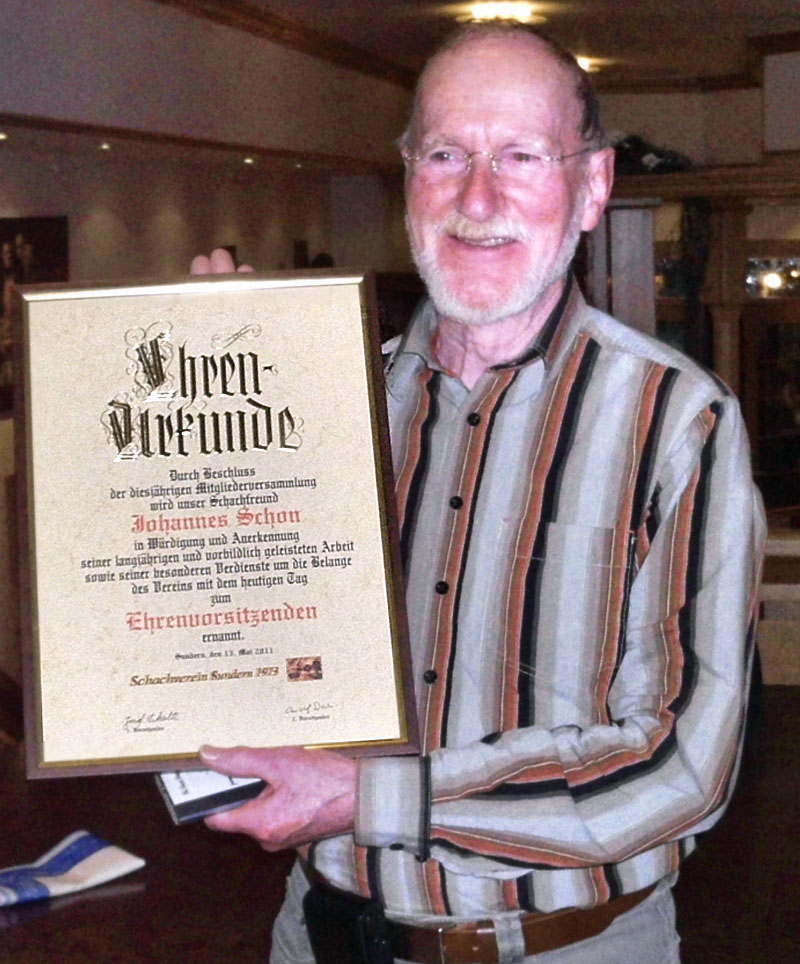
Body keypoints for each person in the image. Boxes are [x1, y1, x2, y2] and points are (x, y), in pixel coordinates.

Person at [191, 23, 765, 964]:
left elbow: (681, 768)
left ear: (593, 187)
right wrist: (211, 405)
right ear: (407, 176)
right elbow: (236, 644)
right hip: (319, 937)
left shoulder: (678, 422)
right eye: (447, 154)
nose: (477, 198)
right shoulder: (323, 405)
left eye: (521, 156)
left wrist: (370, 798)